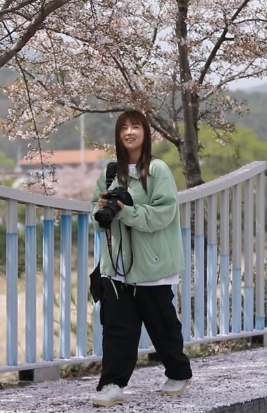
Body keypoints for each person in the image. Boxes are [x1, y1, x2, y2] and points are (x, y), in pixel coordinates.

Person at [90, 109, 192, 407]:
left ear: (146, 133)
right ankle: (111, 384)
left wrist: (127, 210)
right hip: (116, 266)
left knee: (161, 324)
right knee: (117, 328)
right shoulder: (110, 173)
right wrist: (102, 209)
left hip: (154, 265)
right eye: (124, 128)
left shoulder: (157, 170)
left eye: (136, 127)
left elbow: (162, 215)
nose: (129, 132)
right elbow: (96, 216)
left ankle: (178, 372)